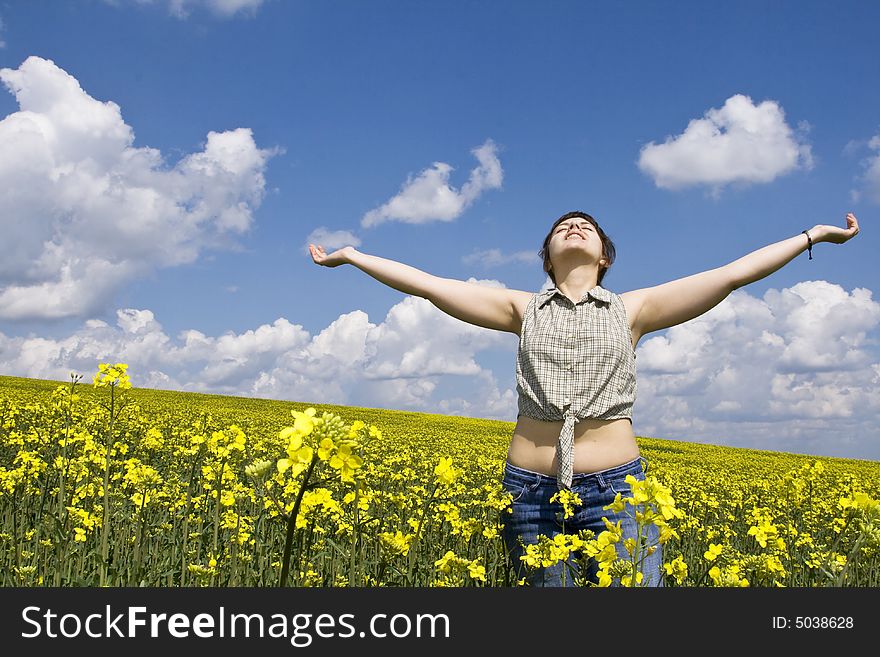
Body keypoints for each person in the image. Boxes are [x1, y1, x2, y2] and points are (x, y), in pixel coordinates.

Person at [309, 210, 861, 587]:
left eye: (587, 227)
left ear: (605, 258)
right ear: (548, 257)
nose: (574, 227)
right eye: (562, 227)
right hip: (529, 495)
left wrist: (811, 236)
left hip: (618, 491)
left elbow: (732, 274)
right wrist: (354, 255)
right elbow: (427, 284)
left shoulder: (635, 309)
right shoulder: (518, 308)